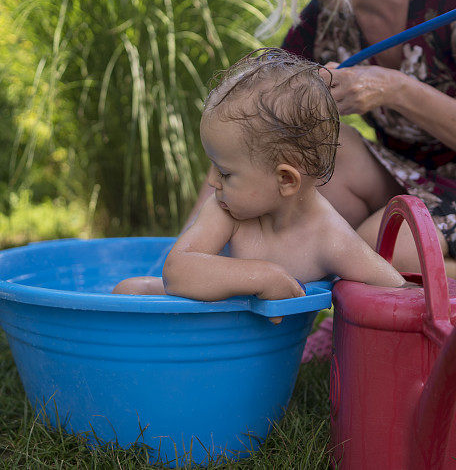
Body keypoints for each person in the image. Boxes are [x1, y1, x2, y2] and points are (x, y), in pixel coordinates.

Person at [226, 0, 456, 363]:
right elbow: (248, 129)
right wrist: (199, 244)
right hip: (409, 183)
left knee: (367, 249)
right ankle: (367, 297)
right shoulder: (320, 24)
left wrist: (396, 89)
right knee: (308, 152)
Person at [113, 48, 407, 322]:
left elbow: (397, 290)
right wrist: (262, 276)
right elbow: (176, 272)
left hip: (263, 350)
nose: (213, 182)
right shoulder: (226, 210)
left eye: (226, 173)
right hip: (204, 319)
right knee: (129, 289)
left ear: (285, 180)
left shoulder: (330, 238)